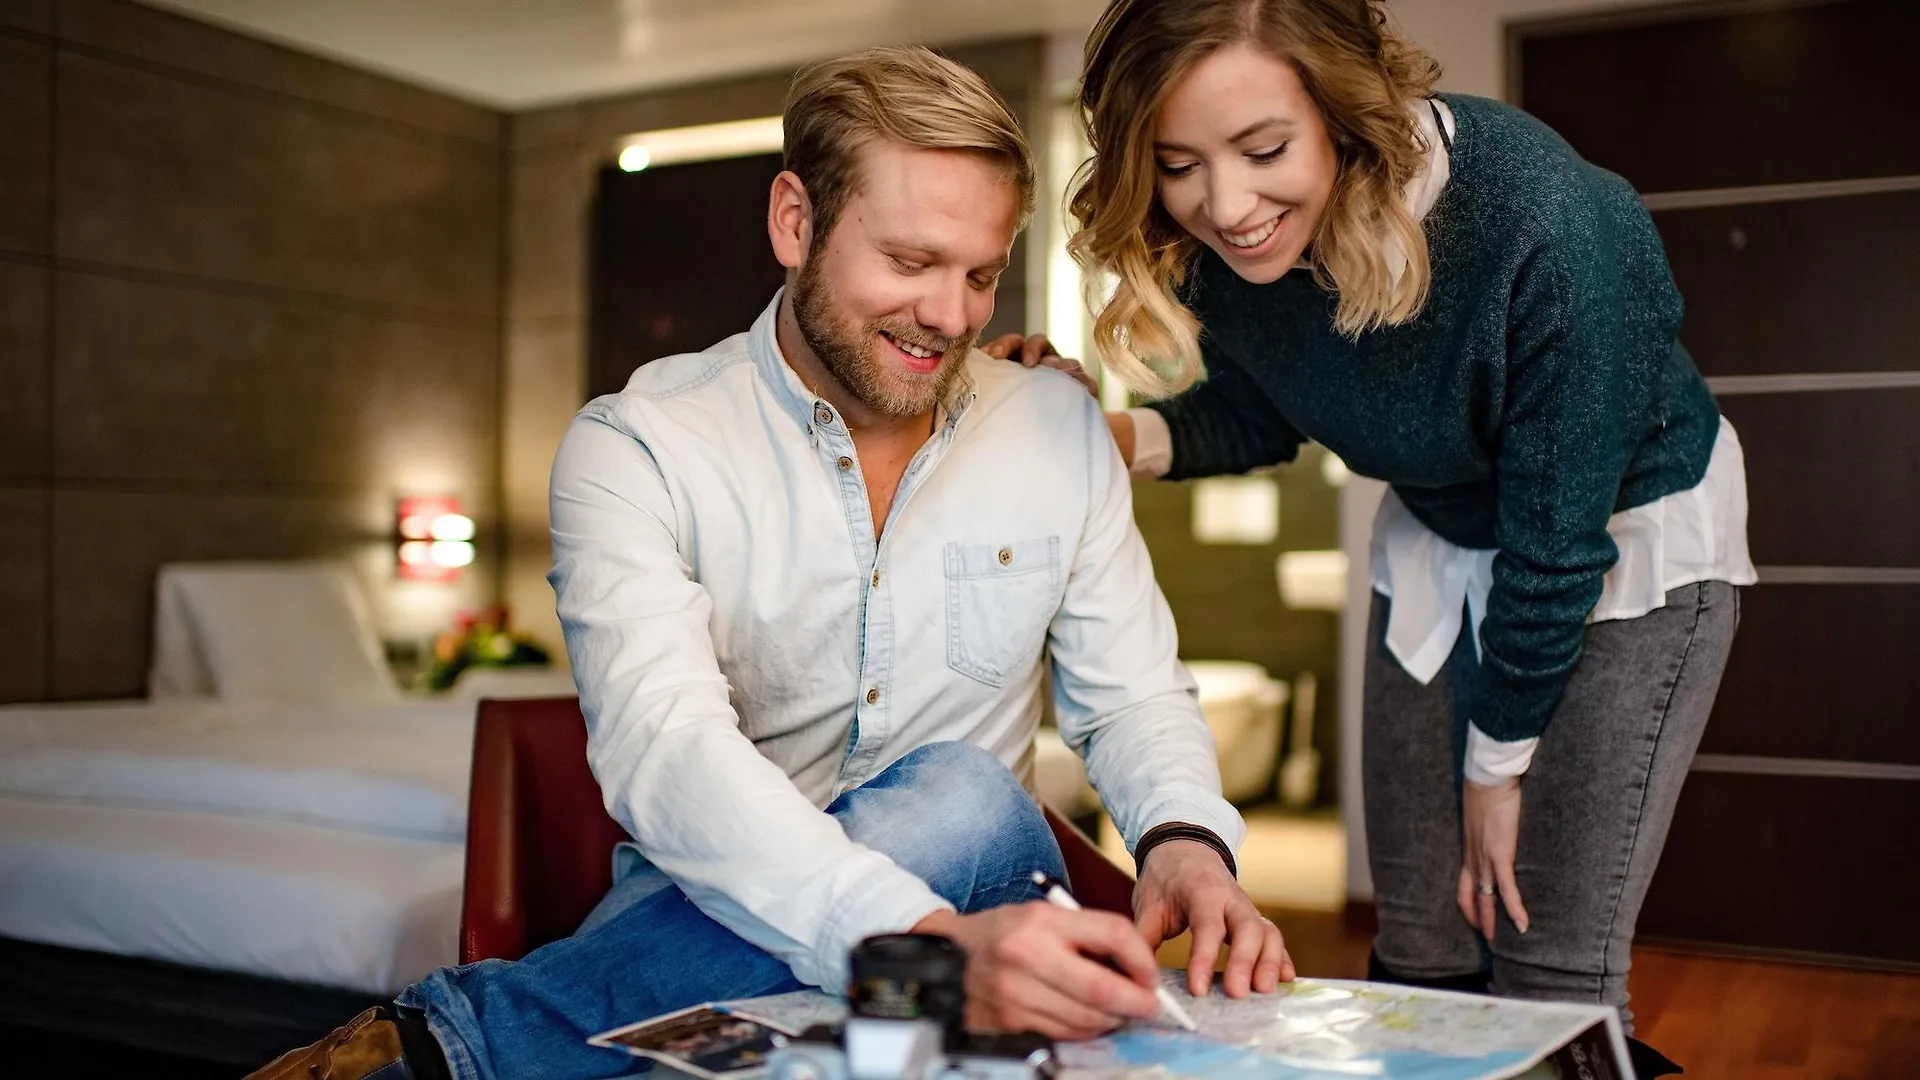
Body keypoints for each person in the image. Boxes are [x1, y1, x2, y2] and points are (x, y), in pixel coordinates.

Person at [249, 46, 1289, 1080]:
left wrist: (1188, 842)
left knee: (967, 802)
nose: (952, 315)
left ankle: (457, 1047)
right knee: (852, 920)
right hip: (752, 940)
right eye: (911, 262)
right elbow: (671, 752)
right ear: (795, 221)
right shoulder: (638, 447)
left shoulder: (1057, 430)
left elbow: (1135, 697)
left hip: (964, 939)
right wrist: (910, 941)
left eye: (980, 274)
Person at [991, 1, 1752, 1071]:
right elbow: (1265, 411)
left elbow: (1556, 544)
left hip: (1622, 551)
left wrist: (1497, 771)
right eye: (1177, 163)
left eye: (1264, 150)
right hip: (1438, 537)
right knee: (1422, 949)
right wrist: (1091, 432)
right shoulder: (1232, 243)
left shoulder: (1550, 225)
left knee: (1548, 976)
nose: (1226, 205)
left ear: (1350, 111)